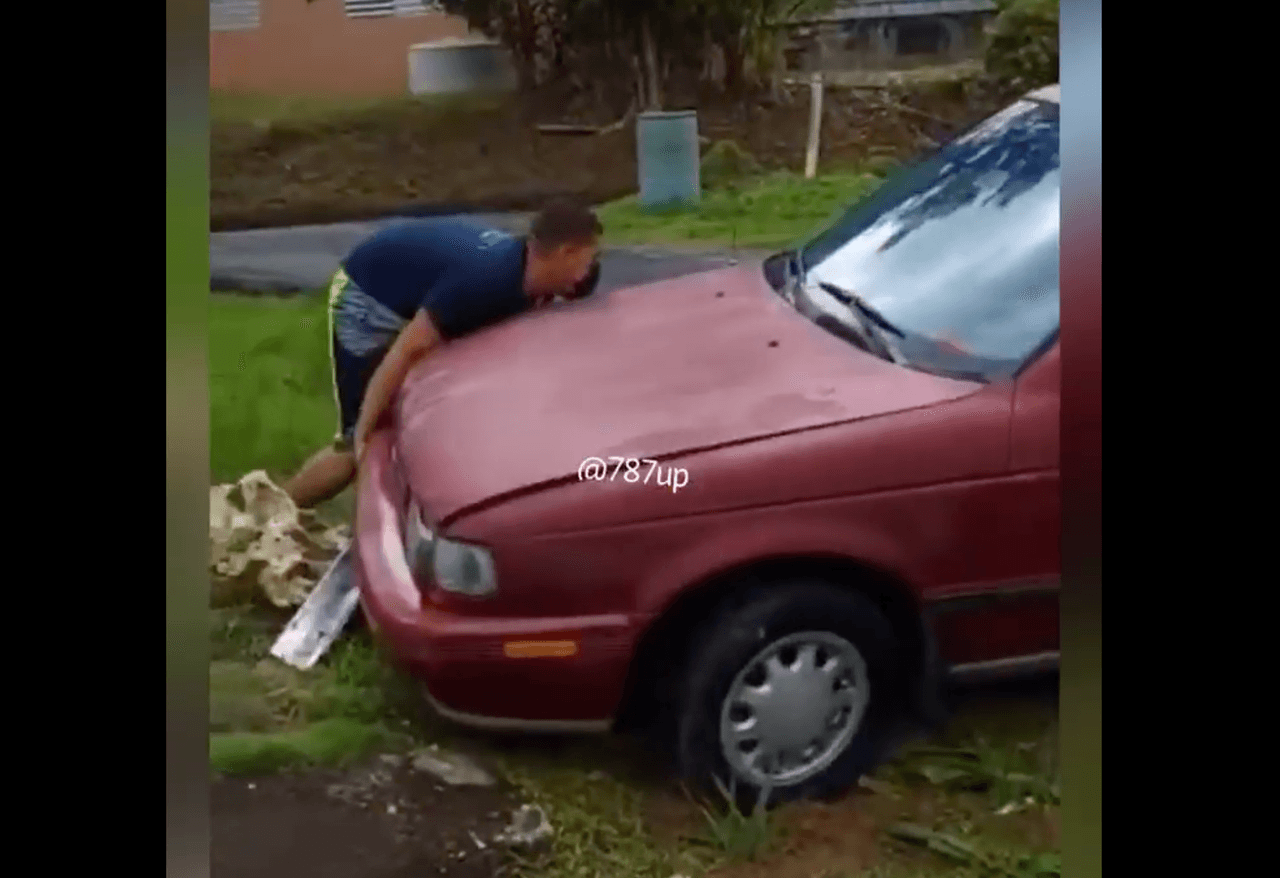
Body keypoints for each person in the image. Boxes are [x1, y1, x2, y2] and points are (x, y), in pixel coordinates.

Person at [284, 199, 603, 509]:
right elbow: (408, 350)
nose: (590, 271)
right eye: (588, 259)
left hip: (419, 291)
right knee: (361, 447)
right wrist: (364, 431)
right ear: (566, 252)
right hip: (369, 294)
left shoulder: (533, 279)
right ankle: (268, 518)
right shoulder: (488, 282)